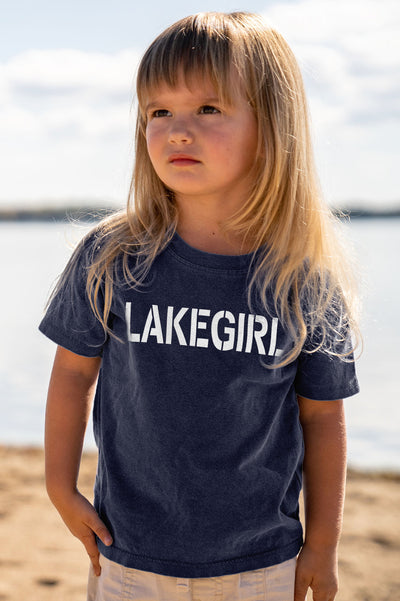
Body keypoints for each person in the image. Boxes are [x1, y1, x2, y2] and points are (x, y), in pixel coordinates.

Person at [39, 11, 360, 601]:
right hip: (127, 557)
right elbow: (73, 374)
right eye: (159, 111)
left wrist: (323, 544)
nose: (177, 131)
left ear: (272, 125)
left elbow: (322, 418)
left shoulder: (302, 279)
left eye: (208, 108)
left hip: (260, 566)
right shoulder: (112, 257)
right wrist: (59, 486)